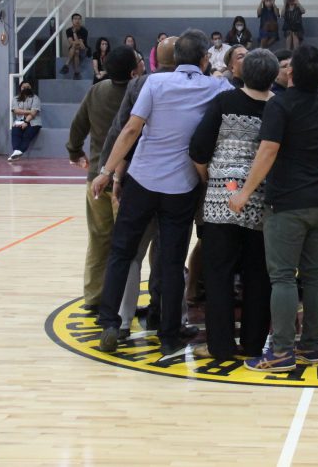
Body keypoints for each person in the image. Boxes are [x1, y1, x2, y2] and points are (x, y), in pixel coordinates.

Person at [93, 30, 232, 357]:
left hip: (142, 179)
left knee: (122, 252)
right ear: (204, 59)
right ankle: (168, 335)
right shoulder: (217, 87)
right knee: (171, 262)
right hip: (181, 186)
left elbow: (131, 129)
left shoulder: (154, 83)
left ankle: (111, 322)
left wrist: (107, 172)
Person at [227, 44, 318, 372]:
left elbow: (268, 150)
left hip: (288, 204)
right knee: (314, 277)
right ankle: (310, 346)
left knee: (284, 278)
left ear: (290, 71)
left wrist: (244, 193)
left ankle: (282, 352)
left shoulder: (280, 104)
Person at [188, 49, 279, 361]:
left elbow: (198, 149)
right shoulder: (279, 106)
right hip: (262, 201)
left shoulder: (224, 102)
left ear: (241, 73)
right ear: (274, 76)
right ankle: (253, 344)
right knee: (258, 276)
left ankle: (221, 346)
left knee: (218, 276)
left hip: (222, 198)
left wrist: (212, 178)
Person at [66, 46, 139, 316]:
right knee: (126, 246)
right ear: (133, 71)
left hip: (96, 176)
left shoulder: (96, 91)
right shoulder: (139, 93)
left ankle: (93, 297)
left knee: (98, 240)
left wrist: (75, 152)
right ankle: (121, 302)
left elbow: (77, 126)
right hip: (126, 179)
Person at [9, 80, 41, 161]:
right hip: (19, 120)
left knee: (27, 135)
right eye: (24, 87)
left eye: (28, 87)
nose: (26, 88)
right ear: (20, 88)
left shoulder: (35, 98)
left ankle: (19, 152)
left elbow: (33, 113)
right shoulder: (15, 98)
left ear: (31, 88)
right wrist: (29, 111)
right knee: (15, 132)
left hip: (33, 122)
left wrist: (26, 122)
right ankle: (16, 151)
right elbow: (16, 110)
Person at [62, 13, 90, 80]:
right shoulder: (68, 30)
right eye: (75, 19)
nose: (77, 20)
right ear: (72, 21)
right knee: (76, 50)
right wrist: (78, 41)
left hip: (83, 50)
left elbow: (81, 45)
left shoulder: (84, 31)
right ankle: (77, 73)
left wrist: (74, 33)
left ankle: (66, 65)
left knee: (75, 47)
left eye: (79, 19)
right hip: (74, 50)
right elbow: (71, 42)